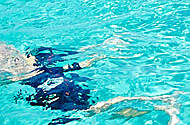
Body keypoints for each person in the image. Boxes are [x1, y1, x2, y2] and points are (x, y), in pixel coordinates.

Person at [0, 42, 180, 124]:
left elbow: (9, 80)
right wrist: (104, 48)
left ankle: (159, 103)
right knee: (91, 111)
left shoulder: (17, 75)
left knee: (89, 112)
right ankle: (158, 104)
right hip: (65, 82)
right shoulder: (39, 53)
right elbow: (82, 59)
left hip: (51, 89)